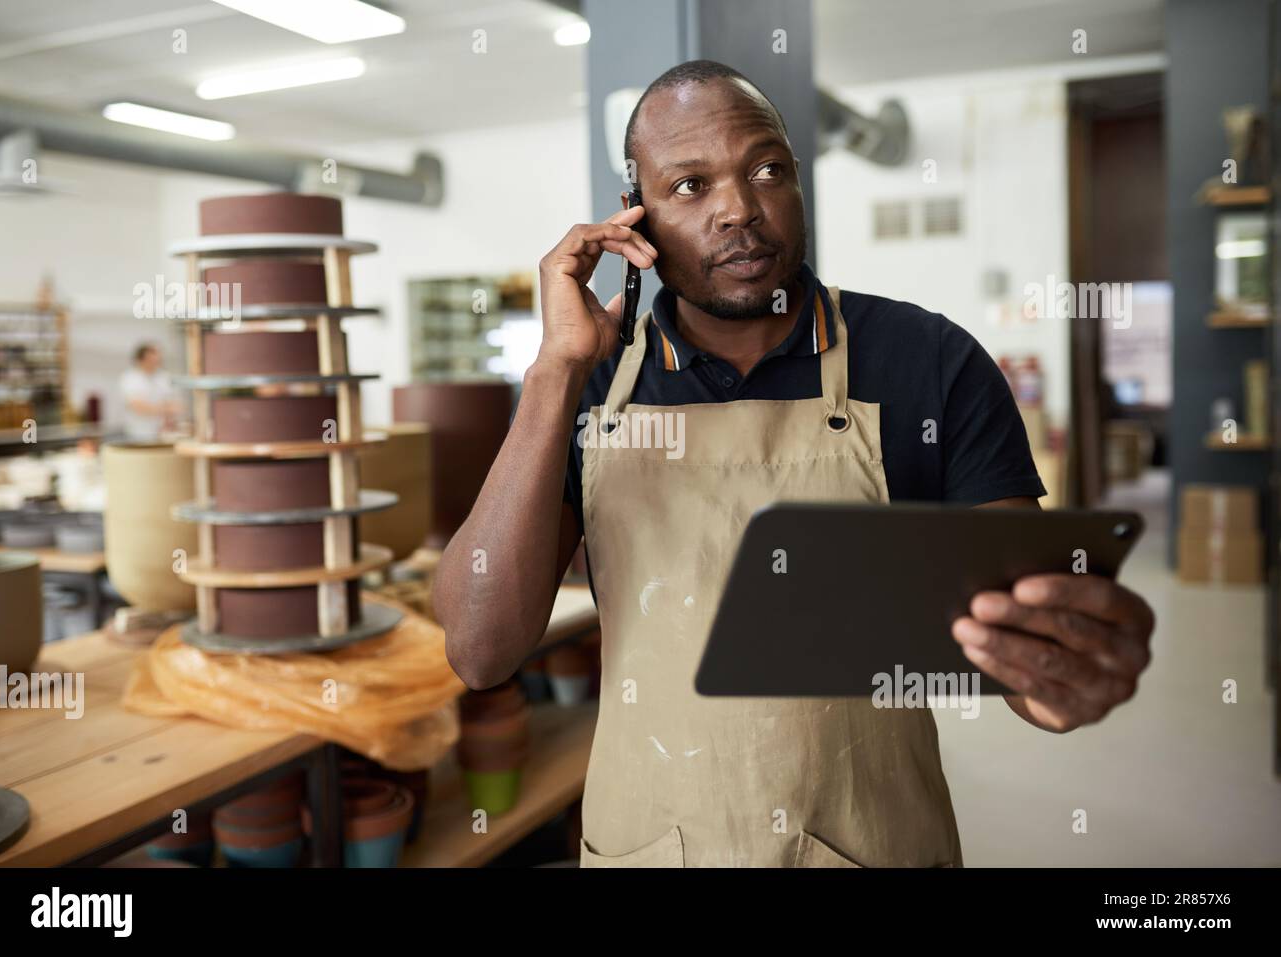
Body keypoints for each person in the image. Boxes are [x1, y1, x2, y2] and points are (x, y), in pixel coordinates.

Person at [434, 60, 1155, 868]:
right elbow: (479, 648)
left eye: (766, 169)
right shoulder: (589, 383)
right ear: (632, 219)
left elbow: (1018, 642)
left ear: (798, 182)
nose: (740, 208)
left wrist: (1062, 679)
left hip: (876, 841)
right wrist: (552, 373)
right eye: (690, 186)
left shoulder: (927, 361)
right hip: (651, 843)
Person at [118, 342, 180, 441]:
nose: (155, 361)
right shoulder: (130, 378)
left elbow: (175, 404)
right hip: (138, 433)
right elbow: (137, 406)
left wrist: (169, 413)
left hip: (162, 433)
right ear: (140, 360)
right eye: (150, 359)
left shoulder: (164, 377)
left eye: (157, 359)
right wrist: (164, 410)